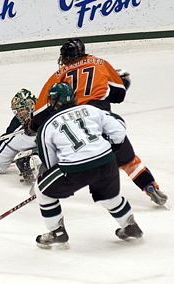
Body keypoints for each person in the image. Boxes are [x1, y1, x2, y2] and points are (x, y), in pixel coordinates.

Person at [29, 38, 167, 206]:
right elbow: (119, 94)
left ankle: (47, 184)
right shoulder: (100, 63)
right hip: (102, 116)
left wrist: (33, 125)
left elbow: (40, 111)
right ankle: (149, 185)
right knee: (128, 159)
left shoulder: (60, 73)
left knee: (65, 152)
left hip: (77, 119)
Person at [34, 82, 142, 249]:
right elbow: (119, 131)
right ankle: (131, 227)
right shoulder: (92, 110)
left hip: (74, 170)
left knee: (42, 191)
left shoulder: (47, 126)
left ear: (54, 101)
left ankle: (57, 232)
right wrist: (109, 149)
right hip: (107, 162)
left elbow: (50, 163)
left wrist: (49, 180)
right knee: (109, 196)